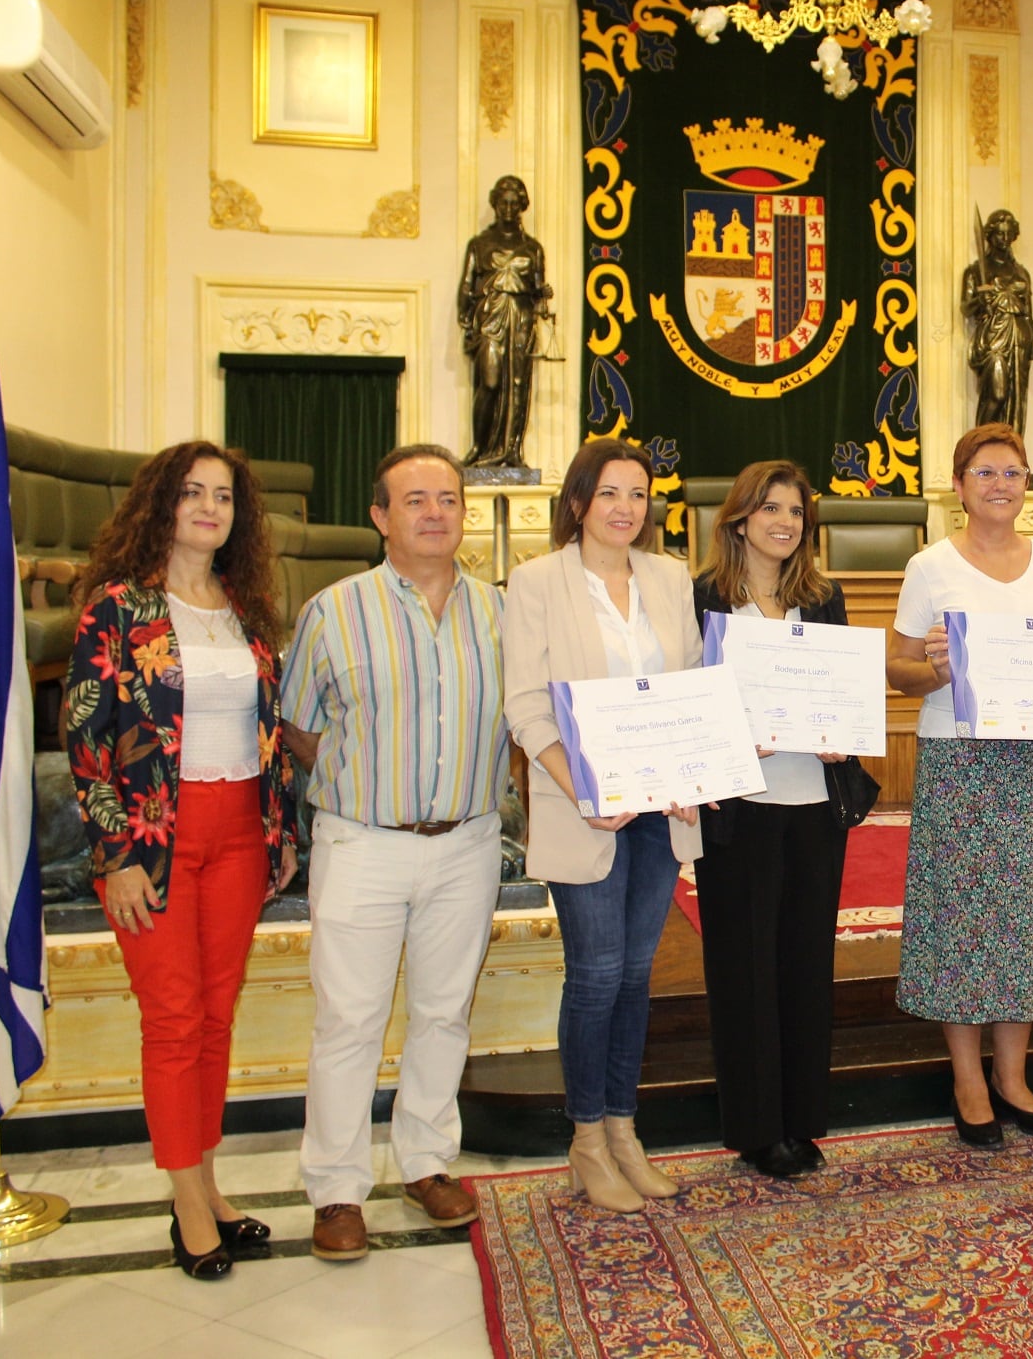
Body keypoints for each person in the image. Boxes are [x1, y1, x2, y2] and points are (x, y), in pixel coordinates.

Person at [65, 442, 297, 1280]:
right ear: (161, 505)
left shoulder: (244, 610)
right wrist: (115, 854)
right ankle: (186, 1203)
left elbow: (268, 740)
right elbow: (86, 741)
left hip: (240, 832)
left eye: (224, 496)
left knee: (214, 1016)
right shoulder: (119, 608)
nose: (208, 507)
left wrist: (279, 838)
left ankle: (206, 1177)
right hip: (153, 840)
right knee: (170, 1017)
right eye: (192, 493)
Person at [282, 444, 509, 1260]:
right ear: (381, 515)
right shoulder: (332, 611)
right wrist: (370, 788)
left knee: (445, 1011)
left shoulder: (502, 612)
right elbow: (301, 728)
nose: (435, 513)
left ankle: (425, 1160)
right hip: (364, 842)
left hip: (469, 841)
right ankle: (338, 1188)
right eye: (416, 500)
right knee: (350, 1018)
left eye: (448, 498)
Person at [505, 438, 700, 1209]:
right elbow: (525, 704)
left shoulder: (669, 576)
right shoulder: (536, 581)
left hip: (659, 810)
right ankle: (586, 1138)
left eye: (638, 494)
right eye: (610, 492)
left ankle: (625, 1128)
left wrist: (693, 774)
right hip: (582, 808)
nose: (626, 507)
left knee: (636, 976)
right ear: (579, 501)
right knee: (593, 974)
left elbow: (690, 689)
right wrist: (584, 788)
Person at [887, 424, 1033, 1149]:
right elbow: (898, 669)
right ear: (959, 484)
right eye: (985, 472)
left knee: (1027, 917)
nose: (1001, 484)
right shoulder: (929, 566)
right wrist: (936, 669)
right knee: (963, 920)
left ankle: (1013, 1075)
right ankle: (967, 1078)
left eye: (1013, 472)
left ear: (1028, 483)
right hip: (961, 761)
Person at [692, 460, 876, 1178]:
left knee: (806, 966)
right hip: (743, 810)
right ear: (738, 517)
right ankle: (755, 1127)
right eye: (769, 508)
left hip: (813, 808)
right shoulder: (705, 598)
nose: (784, 522)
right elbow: (692, 692)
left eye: (796, 512)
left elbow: (847, 692)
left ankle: (802, 1117)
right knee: (744, 970)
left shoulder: (822, 597)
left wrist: (845, 732)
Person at [459, 174, 553, 468]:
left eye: (514, 203)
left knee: (518, 384)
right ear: (495, 204)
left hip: (522, 317)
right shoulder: (479, 244)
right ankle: (480, 446)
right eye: (504, 203)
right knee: (489, 381)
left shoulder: (533, 248)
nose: (509, 208)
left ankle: (512, 451)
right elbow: (466, 286)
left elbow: (539, 293)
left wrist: (542, 297)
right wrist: (466, 322)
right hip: (491, 315)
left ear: (522, 206)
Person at [962, 209, 1033, 435]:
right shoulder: (976, 271)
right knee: (997, 394)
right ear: (990, 235)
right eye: (1000, 234)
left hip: (1020, 334)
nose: (1005, 240)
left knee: (1017, 399)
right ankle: (978, 446)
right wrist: (980, 299)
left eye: (1009, 235)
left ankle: (1013, 451)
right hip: (993, 334)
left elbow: (1028, 311)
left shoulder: (1021, 272)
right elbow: (965, 307)